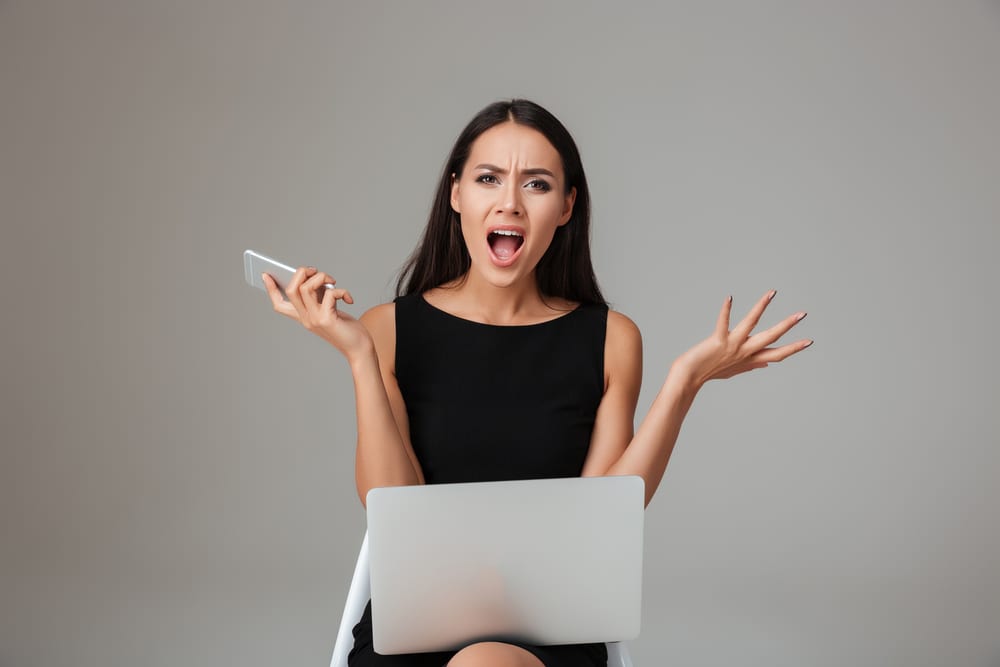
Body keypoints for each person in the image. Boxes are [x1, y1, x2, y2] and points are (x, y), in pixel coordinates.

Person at [261, 99, 812, 667]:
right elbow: (392, 504)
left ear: (567, 206)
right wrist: (359, 357)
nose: (510, 203)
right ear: (456, 195)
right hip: (415, 632)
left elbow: (604, 515)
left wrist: (684, 383)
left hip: (552, 635)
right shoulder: (386, 330)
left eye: (537, 185)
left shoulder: (611, 339)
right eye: (488, 179)